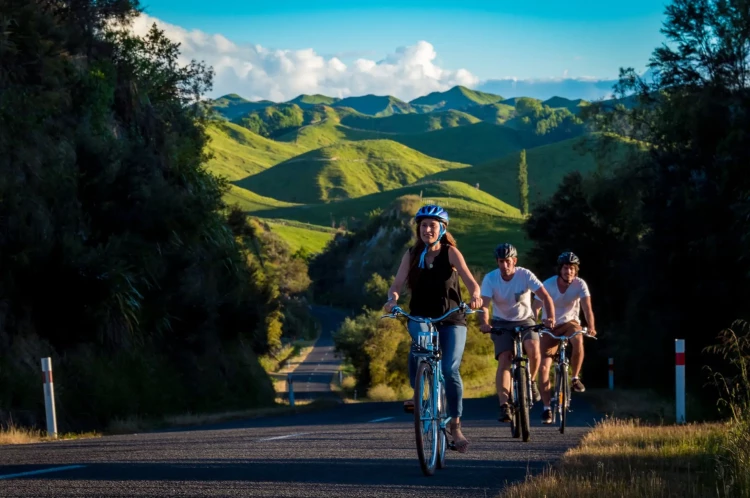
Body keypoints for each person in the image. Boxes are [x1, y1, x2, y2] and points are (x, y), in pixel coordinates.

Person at [384, 204, 482, 453]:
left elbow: (472, 283)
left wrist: (476, 297)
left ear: (442, 229)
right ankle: (419, 394)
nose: (427, 229)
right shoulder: (411, 254)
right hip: (420, 314)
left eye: (432, 225)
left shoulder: (450, 253)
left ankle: (456, 425)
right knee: (418, 346)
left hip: (451, 317)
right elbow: (396, 284)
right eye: (423, 225)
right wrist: (392, 299)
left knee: (450, 369)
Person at [478, 243, 555, 423]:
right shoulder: (491, 278)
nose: (504, 266)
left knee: (534, 350)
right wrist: (484, 323)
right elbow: (484, 304)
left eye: (507, 261)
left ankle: (531, 381)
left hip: (525, 320)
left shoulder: (525, 275)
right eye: (501, 262)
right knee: (505, 358)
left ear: (514, 261)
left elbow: (545, 296)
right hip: (501, 322)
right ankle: (505, 406)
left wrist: (549, 317)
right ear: (497, 262)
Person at [532, 251, 597, 424]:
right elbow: (536, 307)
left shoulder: (580, 284)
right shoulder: (548, 284)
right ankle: (546, 409)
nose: (568, 272)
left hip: (570, 323)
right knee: (544, 367)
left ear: (576, 271)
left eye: (572, 269)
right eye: (566, 268)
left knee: (578, 340)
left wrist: (591, 326)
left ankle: (575, 378)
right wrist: (534, 323)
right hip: (549, 326)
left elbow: (587, 308)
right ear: (560, 270)